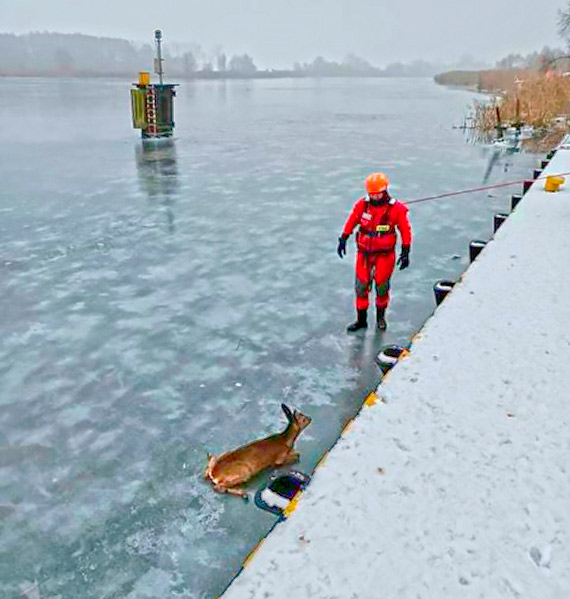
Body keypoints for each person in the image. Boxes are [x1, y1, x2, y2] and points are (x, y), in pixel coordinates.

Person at [337, 172, 412, 332]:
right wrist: (344, 237)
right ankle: (361, 320)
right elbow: (352, 220)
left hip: (385, 255)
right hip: (364, 254)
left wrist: (406, 250)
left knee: (382, 285)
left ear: (384, 191)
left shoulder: (396, 209)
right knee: (361, 285)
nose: (374, 197)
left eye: (377, 194)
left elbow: (405, 230)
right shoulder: (362, 206)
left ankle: (380, 317)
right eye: (371, 194)